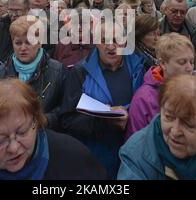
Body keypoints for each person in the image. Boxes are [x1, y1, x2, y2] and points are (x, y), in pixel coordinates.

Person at [60, 20, 145, 179]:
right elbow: (68, 120)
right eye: (104, 40)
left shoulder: (140, 66)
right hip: (97, 159)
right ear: (96, 42)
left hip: (136, 157)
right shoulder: (80, 72)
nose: (111, 46)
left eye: (116, 39)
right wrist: (103, 121)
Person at [0, 16, 64, 130]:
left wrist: (45, 119)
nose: (23, 48)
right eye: (18, 43)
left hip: (45, 132)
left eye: (29, 42)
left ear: (39, 43)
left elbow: (64, 109)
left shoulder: (57, 70)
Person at [126, 33, 195, 140]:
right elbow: (134, 144)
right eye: (182, 62)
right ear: (163, 64)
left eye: (192, 62)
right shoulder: (143, 99)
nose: (189, 68)